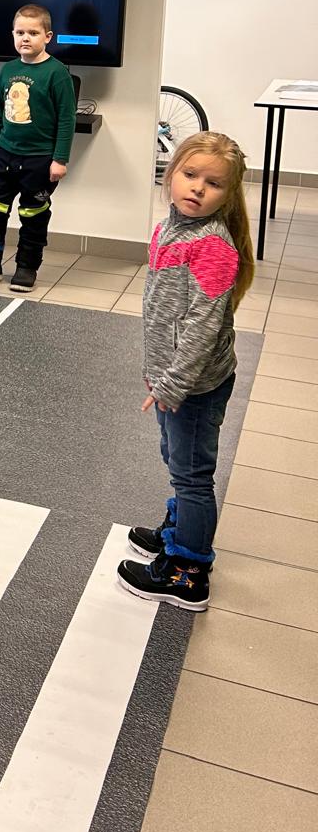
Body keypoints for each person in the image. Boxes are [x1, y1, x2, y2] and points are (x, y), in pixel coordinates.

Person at [117, 132, 254, 612]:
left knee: (193, 474)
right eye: (190, 174)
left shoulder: (212, 245)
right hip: (171, 377)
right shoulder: (169, 229)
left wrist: (173, 383)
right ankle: (179, 532)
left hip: (194, 385)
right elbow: (162, 308)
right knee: (177, 458)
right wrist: (158, 373)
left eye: (213, 183)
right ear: (170, 174)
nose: (197, 187)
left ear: (228, 194)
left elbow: (201, 328)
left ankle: (187, 571)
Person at [0, 3, 76, 294]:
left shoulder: (57, 73)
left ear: (47, 36)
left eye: (33, 33)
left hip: (39, 160)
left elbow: (67, 119)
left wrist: (60, 159)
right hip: (3, 154)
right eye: (20, 32)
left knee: (33, 215)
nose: (26, 38)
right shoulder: (8, 70)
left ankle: (26, 267)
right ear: (12, 34)